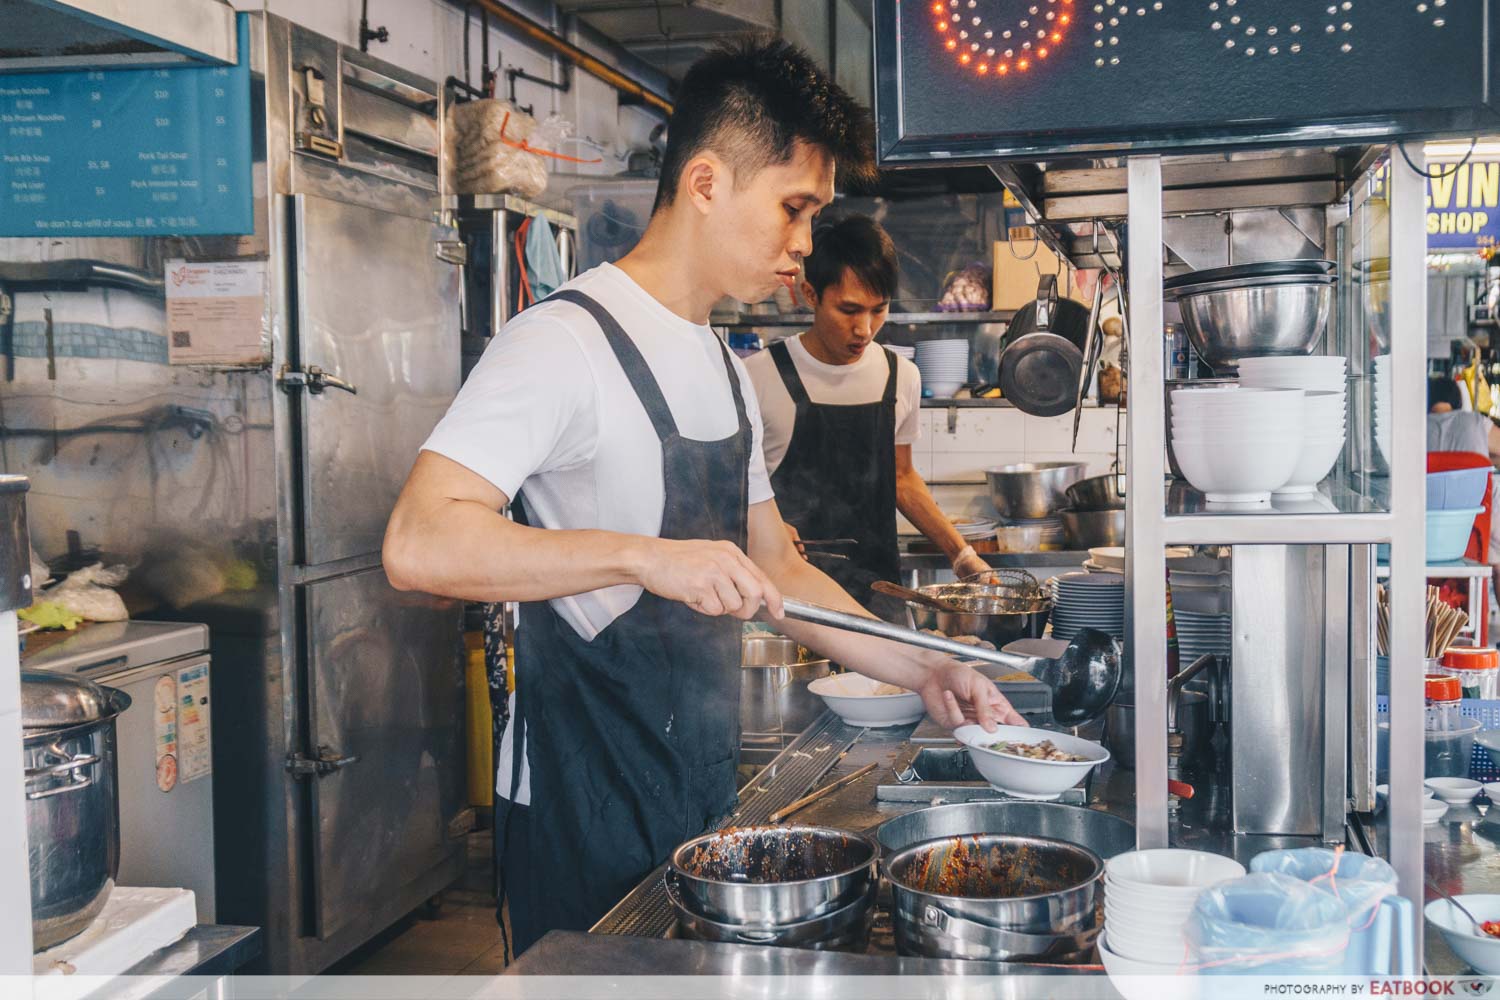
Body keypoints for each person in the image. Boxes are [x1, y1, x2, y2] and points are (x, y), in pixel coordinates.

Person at [382, 38, 1021, 956]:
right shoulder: (562, 342)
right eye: (794, 208)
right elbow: (420, 543)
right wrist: (643, 555)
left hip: (692, 783)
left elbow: (778, 566)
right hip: (581, 795)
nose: (804, 246)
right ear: (710, 181)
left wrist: (928, 670)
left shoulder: (723, 363)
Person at [745, 216, 991, 620]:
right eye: (849, 310)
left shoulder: (901, 377)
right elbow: (728, 491)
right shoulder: (759, 377)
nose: (865, 329)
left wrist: (960, 555)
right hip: (788, 604)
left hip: (880, 598)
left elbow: (901, 476)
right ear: (810, 294)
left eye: (879, 310)